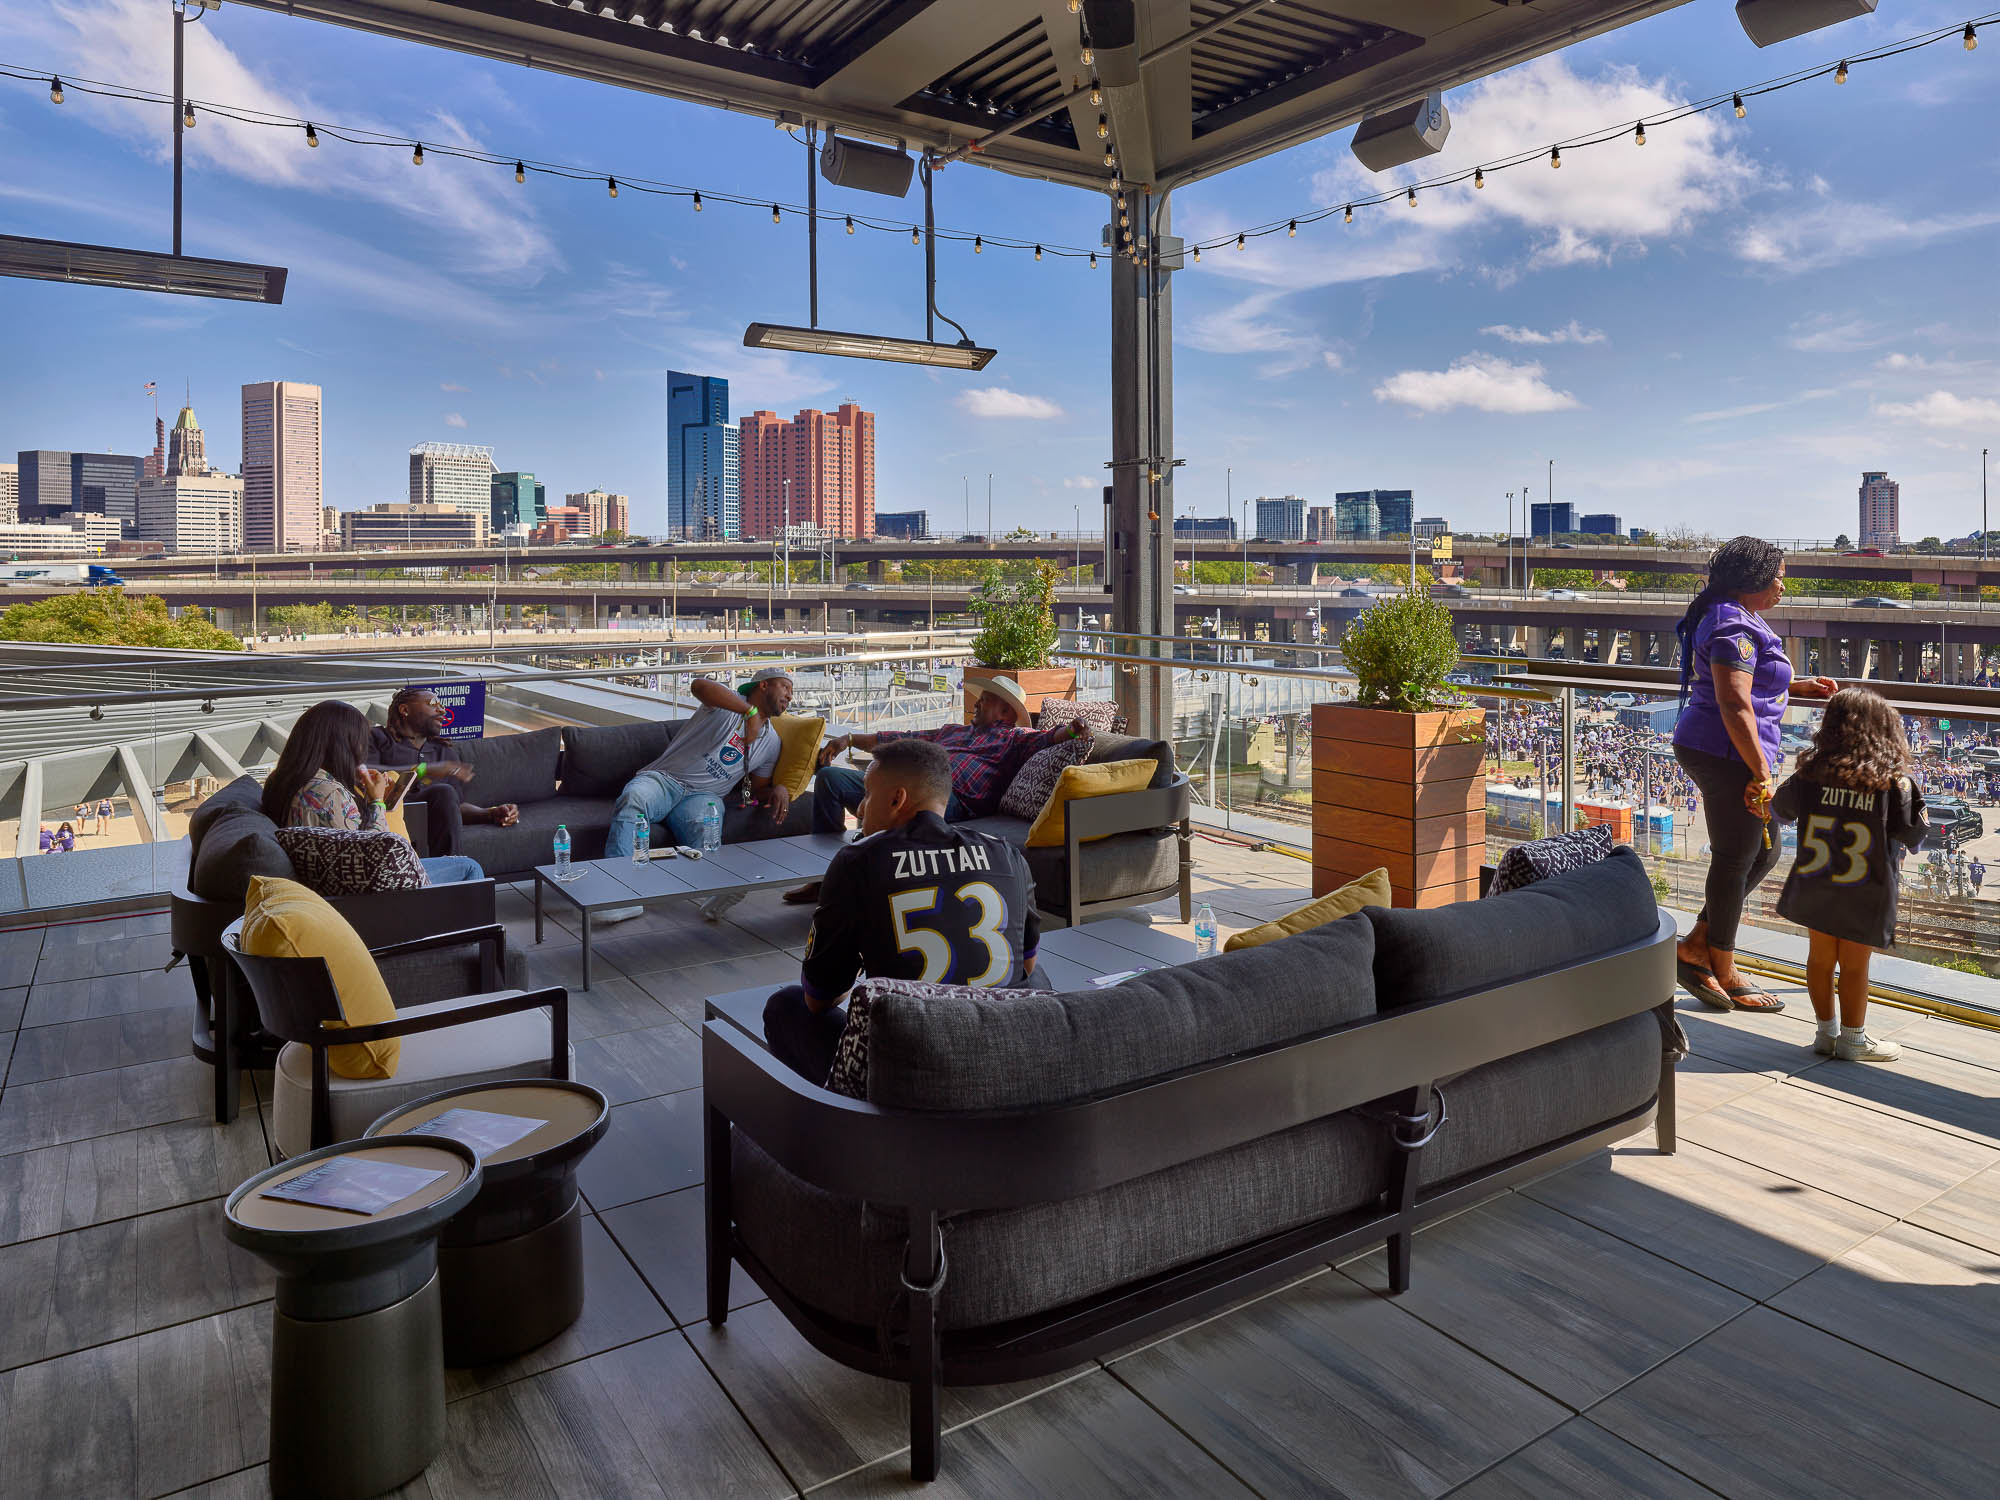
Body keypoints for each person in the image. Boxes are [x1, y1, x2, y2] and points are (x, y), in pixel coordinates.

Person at [763, 737, 1043, 1083]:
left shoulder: (857, 861)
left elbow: (818, 1000)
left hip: (908, 1075)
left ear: (897, 799)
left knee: (785, 1006)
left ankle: (833, 1125)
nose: (861, 809)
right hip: (1004, 1055)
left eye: (867, 794)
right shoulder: (1007, 855)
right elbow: (1027, 964)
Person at [1671, 536, 1837, 1012]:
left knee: (1762, 852)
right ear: (1753, 582)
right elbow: (1732, 700)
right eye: (1779, 576)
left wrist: (1796, 685)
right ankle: (1722, 965)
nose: (1783, 585)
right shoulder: (1731, 625)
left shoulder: (1736, 615)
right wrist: (1762, 772)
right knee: (1736, 857)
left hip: (1727, 750)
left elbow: (1750, 682)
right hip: (1727, 754)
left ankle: (1698, 944)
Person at [782, 676, 1090, 905]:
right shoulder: (952, 731)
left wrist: (1074, 730)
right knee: (831, 779)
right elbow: (899, 737)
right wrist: (847, 739)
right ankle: (826, 876)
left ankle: (861, 879)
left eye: (985, 699)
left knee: (897, 796)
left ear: (1005, 714)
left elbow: (1051, 737)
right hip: (910, 786)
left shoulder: (1015, 738)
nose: (977, 702)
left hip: (951, 800)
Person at [1771, 688, 1929, 1063]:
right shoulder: (1894, 783)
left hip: (1816, 878)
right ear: (1885, 730)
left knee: (1819, 959)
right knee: (1855, 965)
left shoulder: (1810, 774)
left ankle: (1825, 1034)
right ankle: (1854, 1039)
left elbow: (1779, 808)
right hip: (1866, 888)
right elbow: (1914, 834)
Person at [596, 667, 796, 924]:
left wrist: (780, 789)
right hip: (665, 779)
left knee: (706, 826)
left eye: (792, 692)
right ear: (763, 685)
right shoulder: (728, 705)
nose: (790, 696)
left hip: (705, 796)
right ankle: (618, 894)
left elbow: (757, 789)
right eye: (785, 687)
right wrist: (750, 712)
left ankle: (714, 893)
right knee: (634, 797)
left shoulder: (772, 742)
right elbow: (699, 686)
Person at [262, 700, 485, 886]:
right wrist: (377, 802)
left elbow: (353, 843)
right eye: (359, 740)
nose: (441, 709)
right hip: (370, 891)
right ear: (343, 744)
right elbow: (374, 857)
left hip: (341, 881)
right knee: (468, 867)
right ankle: (464, 937)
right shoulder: (328, 793)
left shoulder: (287, 780)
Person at [368, 687, 519, 858]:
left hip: (433, 825)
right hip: (388, 819)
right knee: (443, 791)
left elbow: (455, 807)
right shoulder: (377, 738)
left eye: (441, 705)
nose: (442, 709)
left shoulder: (444, 752)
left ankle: (450, 869)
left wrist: (490, 813)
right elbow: (366, 773)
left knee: (445, 792)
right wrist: (425, 770)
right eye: (433, 704)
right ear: (405, 710)